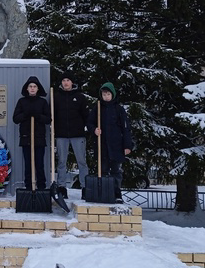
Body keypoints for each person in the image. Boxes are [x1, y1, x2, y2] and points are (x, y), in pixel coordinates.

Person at [87, 82, 134, 204]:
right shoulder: (97, 108)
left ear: (112, 95)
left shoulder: (119, 109)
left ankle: (116, 193)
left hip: (116, 146)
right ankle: (103, 193)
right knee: (102, 170)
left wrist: (127, 145)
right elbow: (90, 122)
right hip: (102, 145)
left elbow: (126, 128)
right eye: (104, 94)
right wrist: (94, 130)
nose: (106, 96)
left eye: (108, 94)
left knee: (115, 171)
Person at [54, 71, 90, 199]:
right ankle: (62, 187)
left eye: (68, 80)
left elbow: (87, 116)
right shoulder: (56, 97)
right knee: (62, 162)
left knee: (81, 161)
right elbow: (52, 115)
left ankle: (85, 187)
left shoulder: (80, 97)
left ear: (72, 82)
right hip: (61, 135)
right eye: (63, 81)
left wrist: (88, 128)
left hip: (77, 134)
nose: (65, 83)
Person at [12, 76, 51, 190]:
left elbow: (48, 119)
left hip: (39, 138)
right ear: (27, 89)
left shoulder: (42, 102)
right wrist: (26, 114)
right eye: (30, 86)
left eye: (34, 86)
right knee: (28, 165)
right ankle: (29, 187)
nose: (32, 88)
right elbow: (15, 118)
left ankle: (41, 187)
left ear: (38, 89)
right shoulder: (22, 101)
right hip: (26, 137)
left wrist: (38, 116)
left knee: (39, 164)